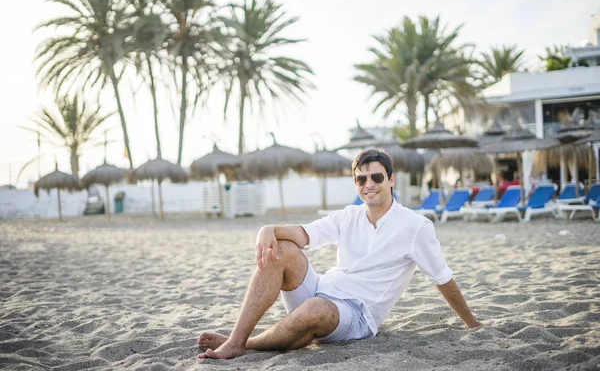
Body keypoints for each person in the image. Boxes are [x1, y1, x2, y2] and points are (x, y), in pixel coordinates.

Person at [198, 149, 491, 360]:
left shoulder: (415, 227)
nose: (369, 185)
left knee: (315, 309)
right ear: (356, 184)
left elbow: (442, 278)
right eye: (361, 180)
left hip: (356, 314)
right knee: (283, 249)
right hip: (322, 291)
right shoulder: (348, 215)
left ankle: (244, 344)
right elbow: (304, 233)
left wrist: (473, 323)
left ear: (391, 179)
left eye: (376, 177)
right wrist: (268, 229)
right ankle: (236, 339)